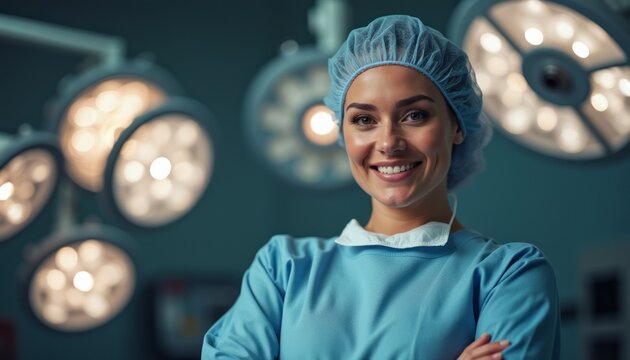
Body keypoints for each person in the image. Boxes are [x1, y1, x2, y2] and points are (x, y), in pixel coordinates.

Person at [202, 15, 560, 359]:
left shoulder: (507, 276)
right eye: (364, 119)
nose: (388, 142)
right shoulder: (283, 269)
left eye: (415, 115)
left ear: (457, 124)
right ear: (343, 132)